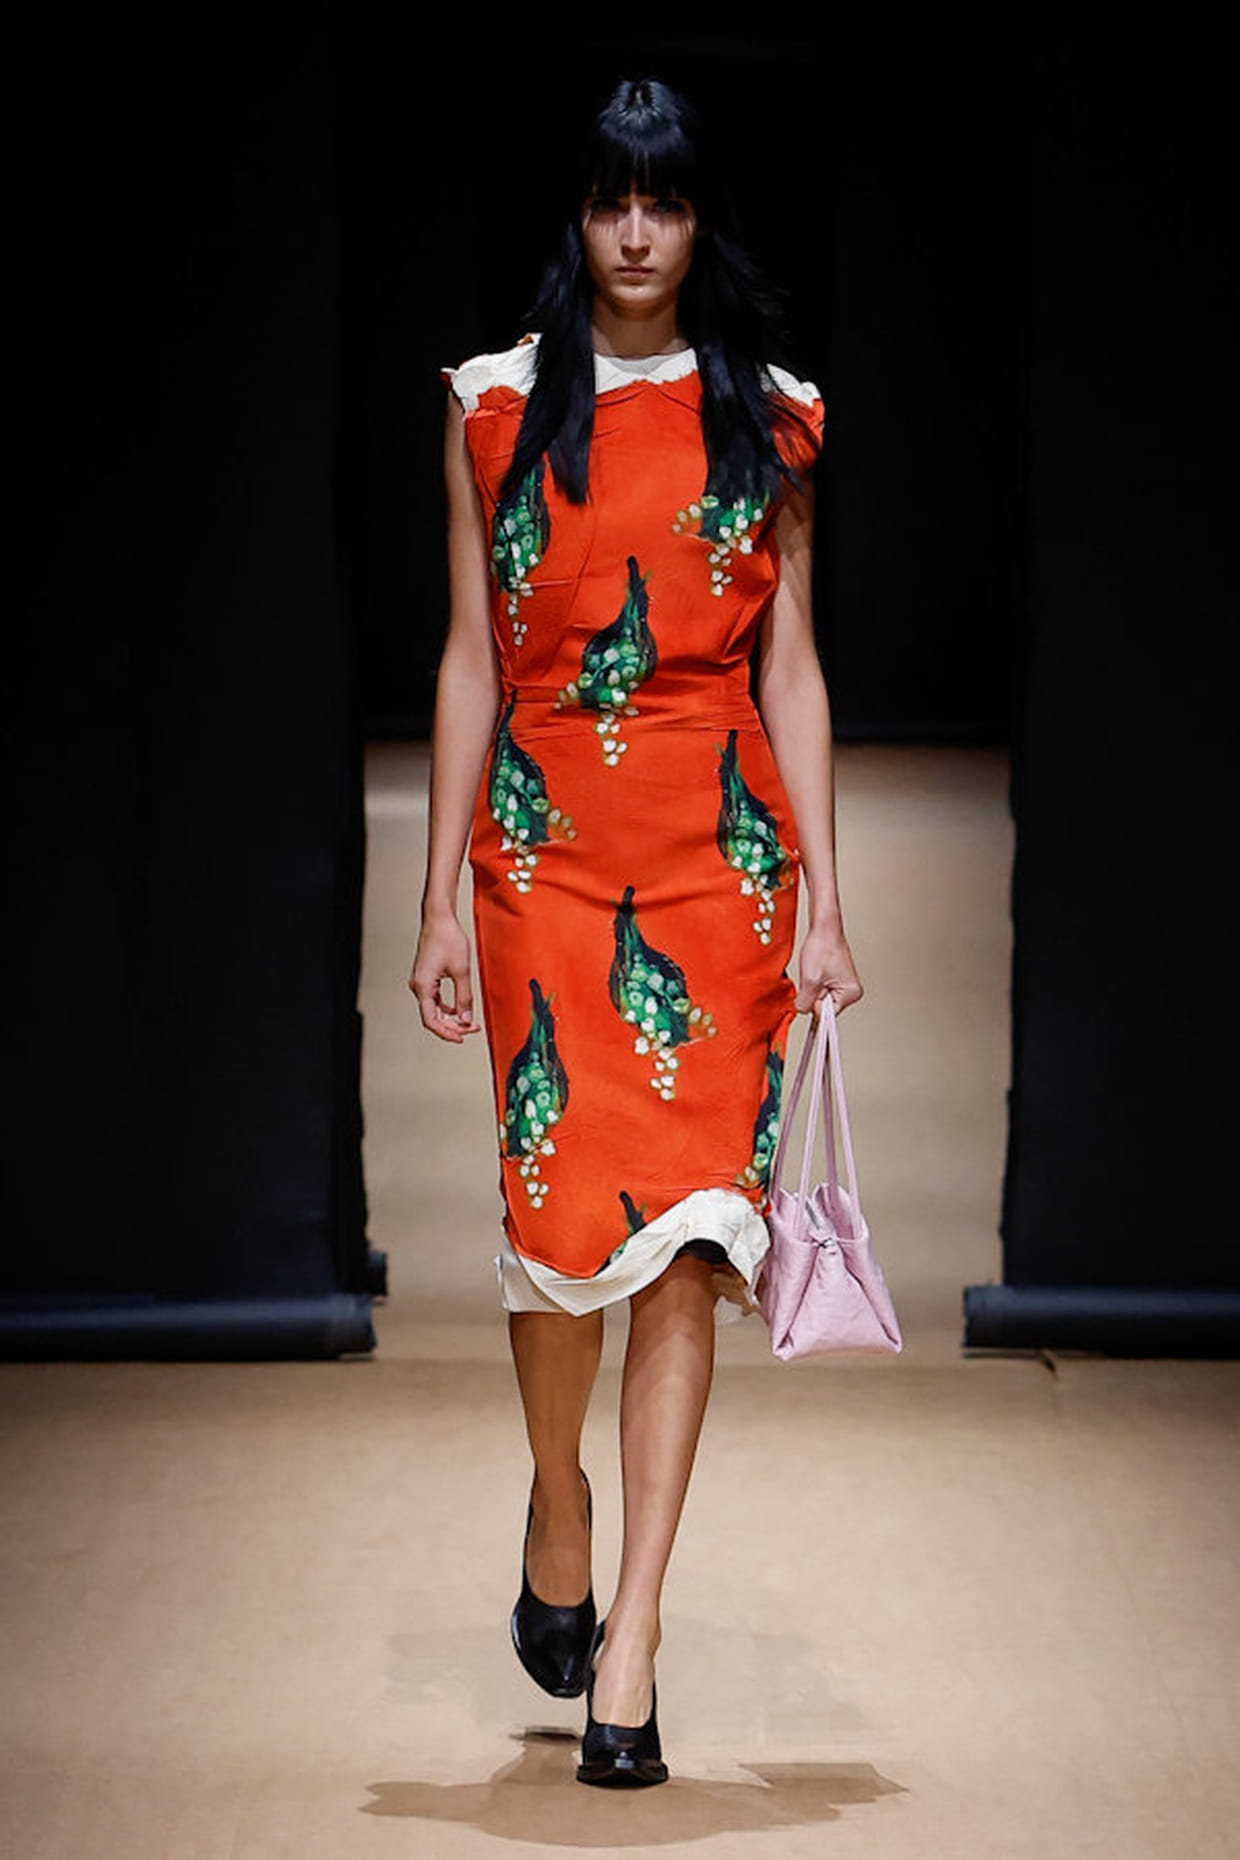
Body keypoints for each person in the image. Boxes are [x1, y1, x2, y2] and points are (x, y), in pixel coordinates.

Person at [409, 76, 862, 1788]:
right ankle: (558, 1501)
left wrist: (827, 897)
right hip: (541, 856)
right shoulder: (496, 407)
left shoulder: (775, 416)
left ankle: (637, 1639)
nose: (636, 233)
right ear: (579, 217)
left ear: (698, 220)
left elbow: (792, 666)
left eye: (663, 204)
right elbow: (473, 657)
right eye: (611, 201)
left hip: (718, 864)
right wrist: (437, 891)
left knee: (689, 1238)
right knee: (553, 1237)